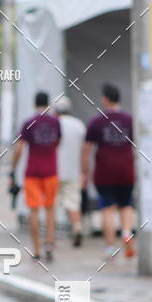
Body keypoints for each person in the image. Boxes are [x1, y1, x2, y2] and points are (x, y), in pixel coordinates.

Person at [82, 83, 136, 259]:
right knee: (126, 205)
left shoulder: (97, 122)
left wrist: (85, 171)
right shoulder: (130, 120)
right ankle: (127, 232)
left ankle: (111, 248)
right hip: (126, 170)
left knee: (107, 209)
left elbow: (87, 149)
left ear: (105, 99)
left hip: (104, 172)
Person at [11, 90, 61, 261]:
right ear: (48, 104)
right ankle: (49, 242)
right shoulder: (55, 122)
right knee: (50, 209)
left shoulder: (29, 123)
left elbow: (18, 148)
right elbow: (57, 143)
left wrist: (13, 168)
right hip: (51, 171)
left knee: (33, 210)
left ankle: (37, 249)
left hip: (32, 173)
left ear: (34, 104)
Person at [54, 95, 86, 247]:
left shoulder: (53, 124)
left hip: (53, 171)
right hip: (74, 170)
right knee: (73, 202)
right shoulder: (79, 125)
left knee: (51, 203)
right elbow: (84, 150)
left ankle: (51, 233)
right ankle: (77, 227)